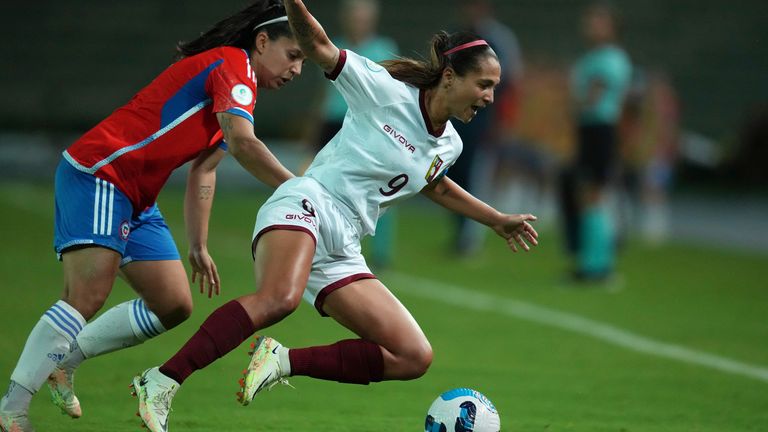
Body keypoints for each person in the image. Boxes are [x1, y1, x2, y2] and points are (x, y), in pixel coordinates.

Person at [131, 1, 538, 431]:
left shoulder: (449, 144)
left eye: (494, 86)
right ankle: (161, 380)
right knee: (278, 299)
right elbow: (320, 45)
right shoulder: (384, 90)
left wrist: (494, 218)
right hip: (308, 201)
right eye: (485, 84)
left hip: (344, 241)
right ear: (451, 76)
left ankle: (282, 359)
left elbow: (434, 184)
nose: (490, 97)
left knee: (413, 355)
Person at [0, 1, 305, 430]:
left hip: (136, 196)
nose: (297, 70)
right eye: (293, 55)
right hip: (104, 171)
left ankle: (63, 360)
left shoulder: (238, 94)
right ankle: (12, 409)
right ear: (261, 41)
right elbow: (244, 144)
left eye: (304, 62)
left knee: (173, 303)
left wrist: (198, 243)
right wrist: (298, 188)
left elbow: (205, 170)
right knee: (86, 294)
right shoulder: (234, 64)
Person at [314, 0, 399, 269]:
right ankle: (324, 245)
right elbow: (324, 94)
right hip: (333, 123)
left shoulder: (384, 49)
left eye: (363, 17)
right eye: (354, 16)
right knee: (325, 188)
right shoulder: (334, 46)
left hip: (368, 126)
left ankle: (381, 252)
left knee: (379, 190)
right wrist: (313, 127)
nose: (358, 21)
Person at [559, 2, 631, 281]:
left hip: (600, 130)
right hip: (590, 130)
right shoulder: (593, 57)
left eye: (597, 21)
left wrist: (572, 101)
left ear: (612, 27)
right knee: (588, 196)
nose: (590, 25)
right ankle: (594, 262)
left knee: (593, 197)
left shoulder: (610, 59)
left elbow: (591, 100)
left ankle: (597, 265)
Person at [450, 0, 524, 256]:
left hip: (485, 118)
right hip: (457, 117)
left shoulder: (500, 39)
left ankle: (471, 236)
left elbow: (510, 82)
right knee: (452, 173)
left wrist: (503, 121)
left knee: (476, 175)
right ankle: (459, 233)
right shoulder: (458, 37)